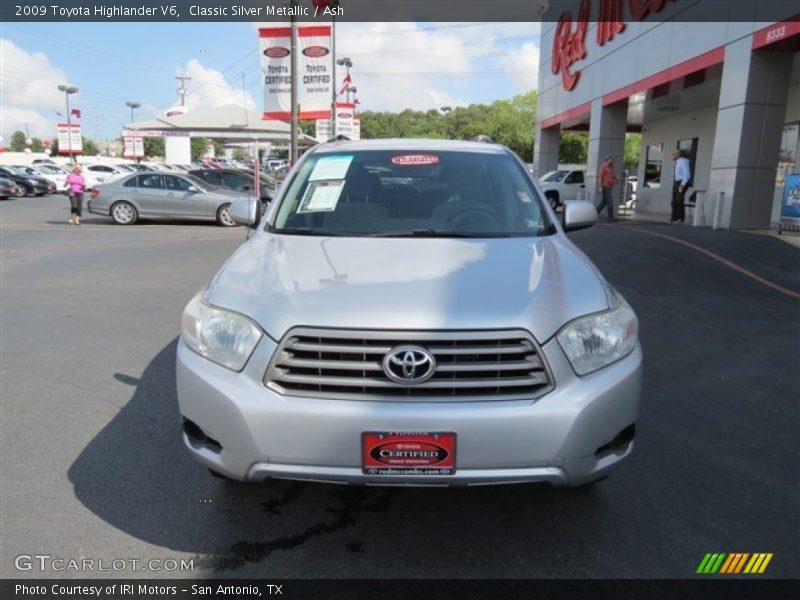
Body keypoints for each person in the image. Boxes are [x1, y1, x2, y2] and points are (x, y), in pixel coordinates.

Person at [596, 153, 618, 222]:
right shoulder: (604, 166)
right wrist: (600, 187)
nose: (614, 160)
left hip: (610, 187)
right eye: (612, 159)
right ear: (608, 159)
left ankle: (594, 213)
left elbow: (614, 175)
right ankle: (611, 218)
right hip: (605, 187)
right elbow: (600, 177)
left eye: (614, 159)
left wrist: (616, 178)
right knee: (610, 202)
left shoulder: (612, 167)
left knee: (604, 202)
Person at [671, 149, 692, 223]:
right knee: (674, 201)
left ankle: (680, 218)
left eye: (674, 154)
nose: (672, 156)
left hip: (681, 182)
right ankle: (674, 218)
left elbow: (687, 174)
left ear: (678, 154)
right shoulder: (676, 163)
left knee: (679, 200)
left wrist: (682, 185)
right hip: (676, 182)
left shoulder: (682, 161)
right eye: (672, 154)